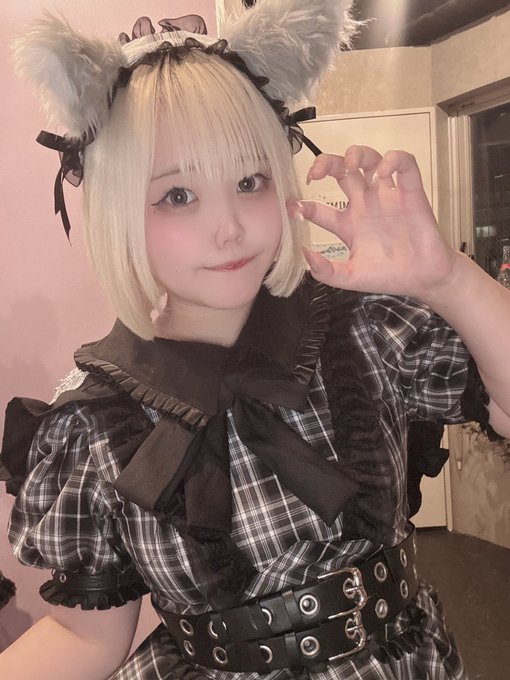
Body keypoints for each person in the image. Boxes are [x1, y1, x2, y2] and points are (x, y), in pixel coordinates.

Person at [1, 1, 510, 679]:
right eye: (177, 195)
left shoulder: (360, 330)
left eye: (250, 181)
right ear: (118, 208)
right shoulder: (92, 423)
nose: (230, 228)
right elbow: (85, 638)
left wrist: (448, 279)